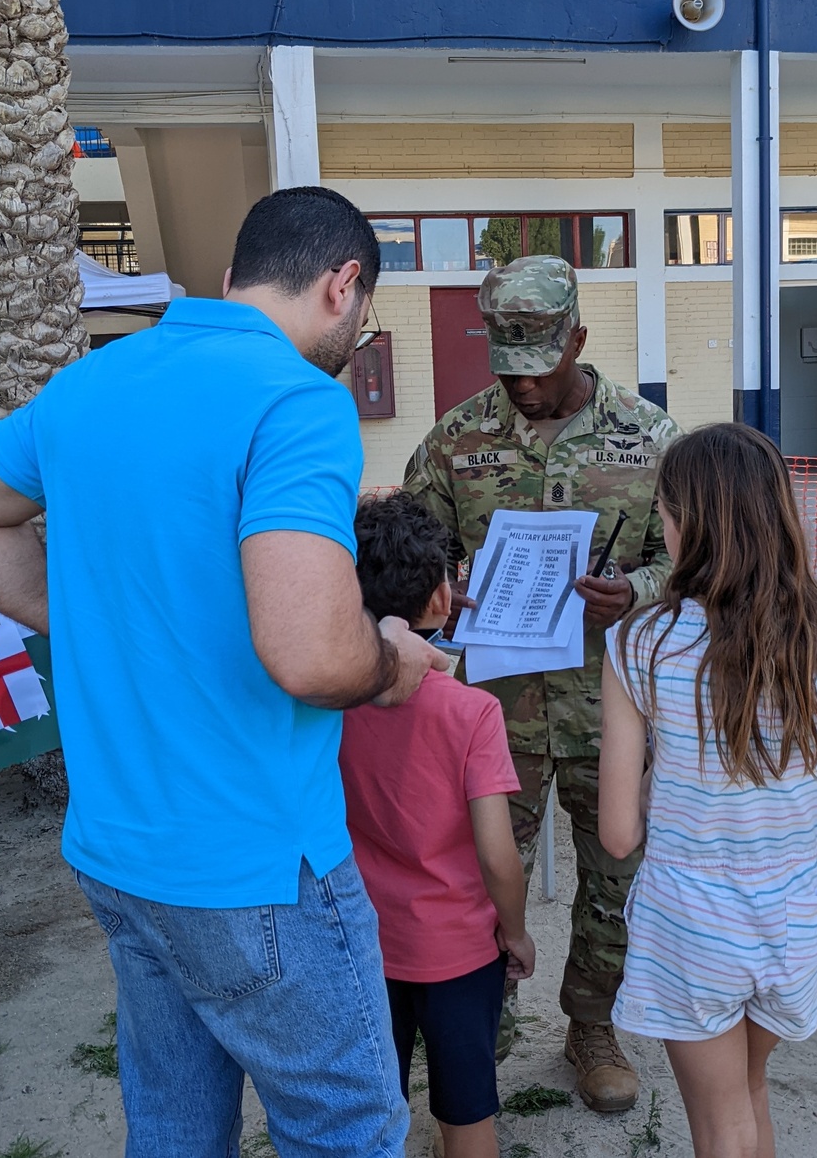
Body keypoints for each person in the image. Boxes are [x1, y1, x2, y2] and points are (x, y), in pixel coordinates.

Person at [0, 186, 448, 1158]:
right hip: (258, 863)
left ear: (236, 273)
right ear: (343, 285)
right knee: (348, 1128)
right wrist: (389, 661)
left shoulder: (94, 382)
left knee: (172, 1131)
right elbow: (310, 651)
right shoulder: (296, 400)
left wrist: (94, 613)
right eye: (361, 314)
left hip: (122, 857)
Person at [404, 255, 682, 1113]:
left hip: (614, 709)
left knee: (616, 873)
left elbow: (697, 558)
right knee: (484, 874)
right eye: (508, 368)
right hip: (497, 714)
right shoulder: (456, 440)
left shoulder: (651, 439)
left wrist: (633, 590)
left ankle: (591, 1024)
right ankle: (482, 1021)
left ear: (579, 343)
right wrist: (447, 585)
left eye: (541, 367)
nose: (522, 387)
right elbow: (408, 553)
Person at [600, 422, 817, 1158]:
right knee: (750, 1098)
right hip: (791, 918)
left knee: (719, 1126)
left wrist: (666, 783)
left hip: (692, 923)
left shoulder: (641, 643)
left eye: (663, 510)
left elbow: (619, 834)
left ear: (688, 521)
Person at [340, 494, 535, 1158]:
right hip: (458, 950)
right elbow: (497, 854)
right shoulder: (473, 712)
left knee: (368, 1108)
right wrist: (515, 931)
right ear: (442, 600)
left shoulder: (327, 701)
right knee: (467, 1114)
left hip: (362, 941)